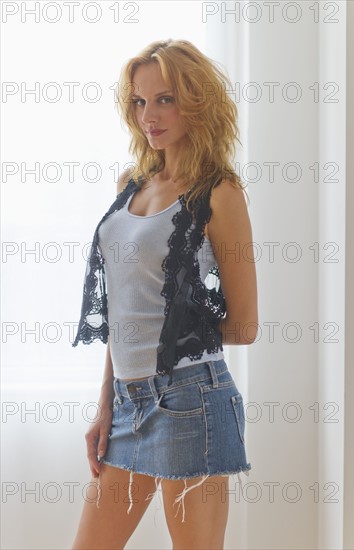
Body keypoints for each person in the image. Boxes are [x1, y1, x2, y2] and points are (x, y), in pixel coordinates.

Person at [71, 39, 258, 550]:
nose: (148, 115)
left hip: (191, 400)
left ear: (196, 102)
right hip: (127, 407)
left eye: (165, 99)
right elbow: (122, 310)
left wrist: (179, 326)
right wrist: (105, 405)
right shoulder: (130, 183)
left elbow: (243, 324)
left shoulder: (219, 192)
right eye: (138, 100)